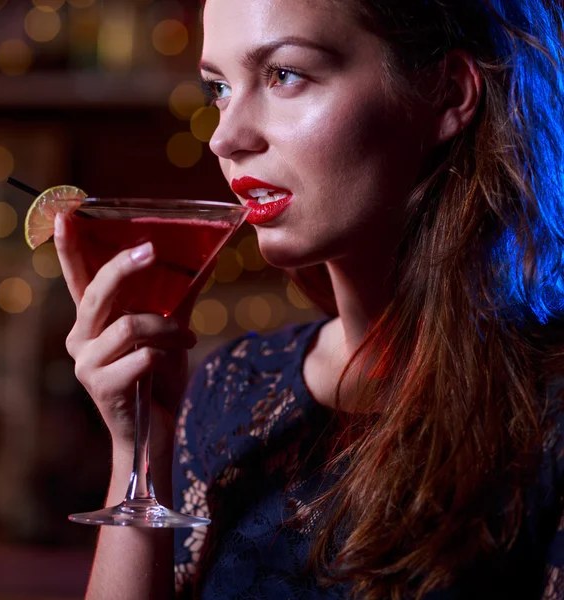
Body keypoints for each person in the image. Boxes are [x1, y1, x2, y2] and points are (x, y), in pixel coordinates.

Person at [54, 0, 564, 598]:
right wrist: (139, 443)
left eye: (283, 74)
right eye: (217, 86)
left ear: (448, 94)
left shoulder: (547, 415)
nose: (224, 138)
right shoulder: (231, 389)